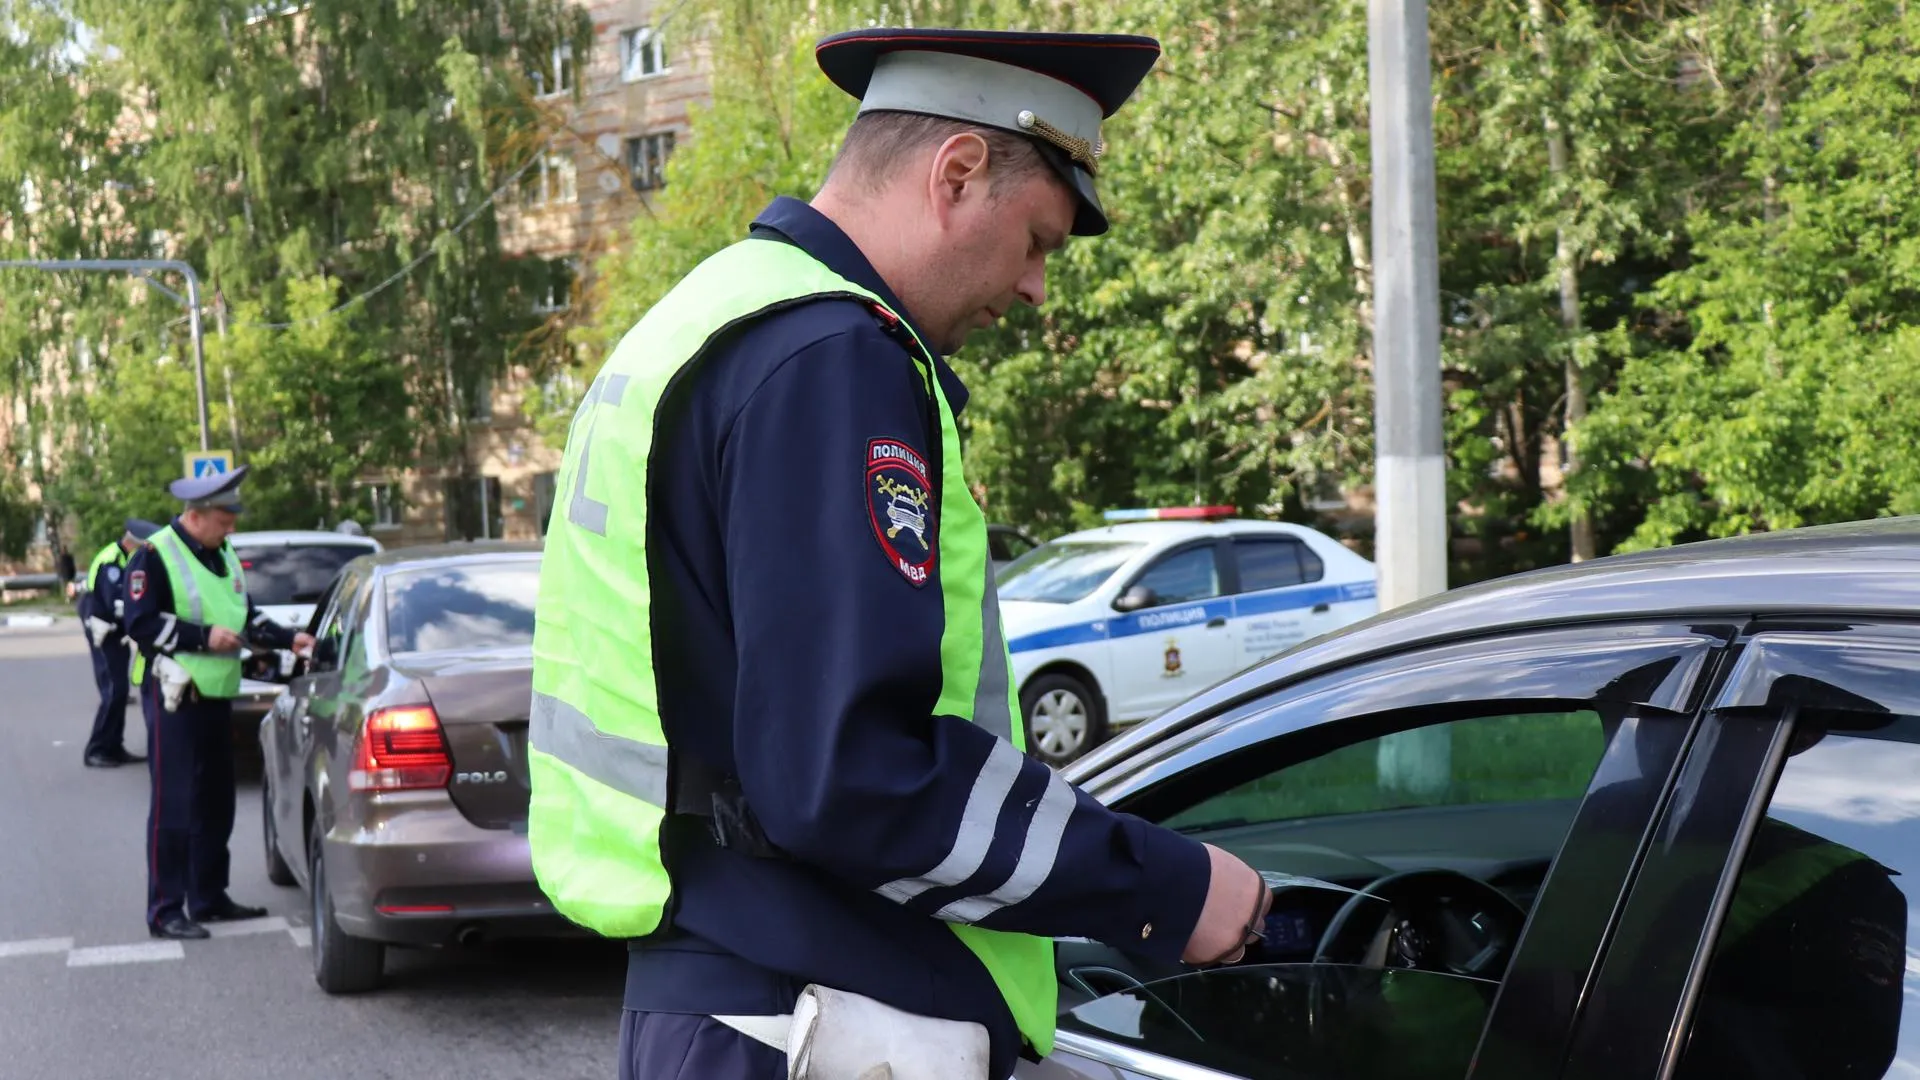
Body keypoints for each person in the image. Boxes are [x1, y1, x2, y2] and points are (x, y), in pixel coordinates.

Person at [528, 27, 1273, 1080]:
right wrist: (1166, 890)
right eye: (1038, 241)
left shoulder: (707, 319)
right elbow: (849, 774)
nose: (1034, 291)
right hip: (814, 1014)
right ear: (958, 174)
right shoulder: (833, 356)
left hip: (728, 993)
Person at [123, 465, 316, 940]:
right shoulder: (154, 556)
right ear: (196, 515)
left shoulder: (222, 552)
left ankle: (208, 897)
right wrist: (203, 637)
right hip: (175, 697)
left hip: (215, 695)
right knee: (174, 807)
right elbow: (140, 623)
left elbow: (242, 616)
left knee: (216, 803)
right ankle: (165, 909)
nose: (232, 527)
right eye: (225, 519)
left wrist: (290, 639)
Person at [78, 518, 161, 768]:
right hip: (104, 633)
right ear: (133, 542)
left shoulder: (126, 558)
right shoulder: (111, 562)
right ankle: (97, 749)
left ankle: (114, 746)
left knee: (120, 690)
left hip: (117, 633)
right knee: (113, 691)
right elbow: (117, 604)